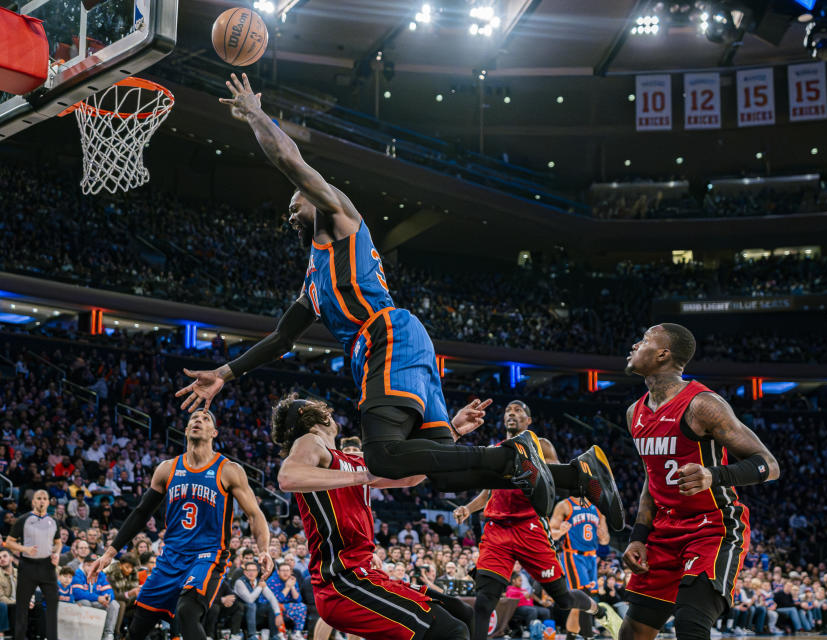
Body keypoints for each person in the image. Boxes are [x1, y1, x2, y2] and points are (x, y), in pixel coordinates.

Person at [176, 73, 568, 512]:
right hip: (392, 342)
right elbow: (282, 339)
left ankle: (513, 456)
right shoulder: (314, 279)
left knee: (381, 454)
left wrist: (254, 114)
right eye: (287, 212)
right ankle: (576, 475)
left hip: (385, 334)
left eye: (295, 205)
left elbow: (290, 162)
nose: (290, 215)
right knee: (436, 474)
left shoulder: (342, 220)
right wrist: (225, 374)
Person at [619, 323, 781, 640]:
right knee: (634, 630)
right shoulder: (633, 413)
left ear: (663, 353)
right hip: (664, 531)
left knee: (691, 622)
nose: (635, 345)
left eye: (644, 341)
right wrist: (638, 535)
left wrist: (714, 474)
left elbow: (769, 465)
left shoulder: (702, 404)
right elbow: (651, 480)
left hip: (713, 527)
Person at [273, 393, 475, 640]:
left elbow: (411, 476)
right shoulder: (310, 441)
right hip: (341, 581)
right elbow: (287, 477)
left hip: (365, 573)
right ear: (314, 415)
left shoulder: (352, 459)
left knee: (462, 612)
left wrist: (453, 431)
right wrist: (362, 477)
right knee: (451, 631)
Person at [91, 409, 273, 640]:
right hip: (170, 558)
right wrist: (109, 553)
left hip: (207, 557)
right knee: (137, 628)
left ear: (214, 432)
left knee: (187, 611)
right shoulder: (167, 468)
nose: (198, 420)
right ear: (186, 430)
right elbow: (141, 512)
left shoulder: (229, 470)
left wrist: (264, 549)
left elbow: (255, 515)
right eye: (193, 418)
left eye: (206, 418)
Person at [454, 400, 623, 640]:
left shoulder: (541, 445)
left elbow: (555, 476)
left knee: (564, 599)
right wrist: (467, 509)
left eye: (518, 410)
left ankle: (597, 610)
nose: (512, 413)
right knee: (483, 602)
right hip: (497, 530)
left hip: (529, 527)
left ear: (528, 420)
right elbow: (487, 492)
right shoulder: (495, 449)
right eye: (508, 411)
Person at [550, 496, 611, 640]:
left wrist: (603, 536)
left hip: (591, 557)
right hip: (574, 555)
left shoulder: (598, 508)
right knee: (585, 596)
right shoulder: (565, 505)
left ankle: (570, 637)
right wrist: (561, 532)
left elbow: (606, 539)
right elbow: (550, 532)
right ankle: (588, 636)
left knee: (579, 605)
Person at [4, 489, 61, 640]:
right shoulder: (23, 519)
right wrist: (25, 549)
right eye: (38, 498)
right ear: (33, 501)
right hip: (27, 566)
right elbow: (9, 542)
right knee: (22, 608)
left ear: (48, 502)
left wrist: (56, 554)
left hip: (47, 567)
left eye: (44, 498)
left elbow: (58, 542)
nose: (42, 501)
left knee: (52, 606)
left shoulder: (54, 521)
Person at [72, 554, 119, 640]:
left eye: (94, 565)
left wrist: (107, 598)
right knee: (85, 603)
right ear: (83, 565)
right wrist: (98, 598)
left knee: (114, 604)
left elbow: (110, 592)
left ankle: (108, 634)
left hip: (98, 603)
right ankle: (85, 634)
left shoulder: (101, 575)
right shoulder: (78, 573)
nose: (91, 568)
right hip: (79, 603)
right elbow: (78, 594)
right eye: (89, 565)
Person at [234, 560, 285, 640]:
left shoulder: (259, 581)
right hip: (240, 614)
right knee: (252, 605)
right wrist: (260, 587)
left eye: (254, 570)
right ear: (244, 572)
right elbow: (250, 599)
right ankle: (252, 635)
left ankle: (274, 635)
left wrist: (278, 613)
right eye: (249, 570)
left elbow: (272, 598)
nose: (251, 573)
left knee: (269, 605)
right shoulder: (239, 582)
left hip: (255, 614)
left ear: (257, 572)